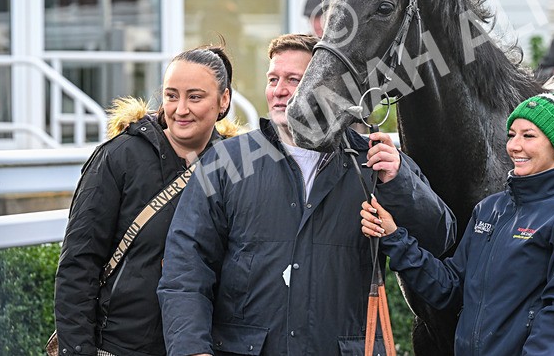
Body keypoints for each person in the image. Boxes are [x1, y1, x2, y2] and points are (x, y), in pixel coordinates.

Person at [158, 33, 456, 356]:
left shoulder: (376, 163)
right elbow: (185, 267)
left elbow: (440, 239)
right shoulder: (225, 162)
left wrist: (399, 182)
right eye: (273, 79)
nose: (279, 90)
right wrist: (191, 350)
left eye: (293, 79)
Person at [361, 92, 554, 355]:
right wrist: (394, 237)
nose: (515, 146)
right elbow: (448, 289)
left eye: (528, 136)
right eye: (512, 134)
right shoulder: (490, 209)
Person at [54, 45, 236, 356]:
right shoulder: (119, 157)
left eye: (195, 97)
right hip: (120, 346)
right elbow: (78, 264)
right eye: (171, 95)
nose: (180, 109)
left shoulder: (236, 165)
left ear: (224, 100)